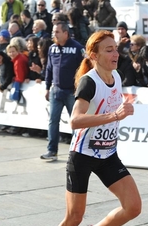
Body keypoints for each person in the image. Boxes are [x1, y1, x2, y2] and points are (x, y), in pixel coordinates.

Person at [43, 30, 141, 226]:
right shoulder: (89, 81)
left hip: (108, 154)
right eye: (109, 50)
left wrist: (117, 114)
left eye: (116, 48)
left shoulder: (116, 76)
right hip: (83, 155)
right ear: (94, 55)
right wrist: (113, 115)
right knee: (74, 215)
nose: (115, 54)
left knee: (133, 207)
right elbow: (75, 120)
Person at [40, 22, 84, 161]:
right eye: (54, 32)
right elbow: (49, 68)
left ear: (65, 33)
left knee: (76, 123)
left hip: (72, 92)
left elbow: (84, 69)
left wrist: (81, 89)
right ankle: (52, 151)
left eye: (57, 32)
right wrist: (47, 87)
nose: (54, 35)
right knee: (53, 121)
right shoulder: (52, 48)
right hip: (56, 90)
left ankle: (78, 152)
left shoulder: (77, 48)